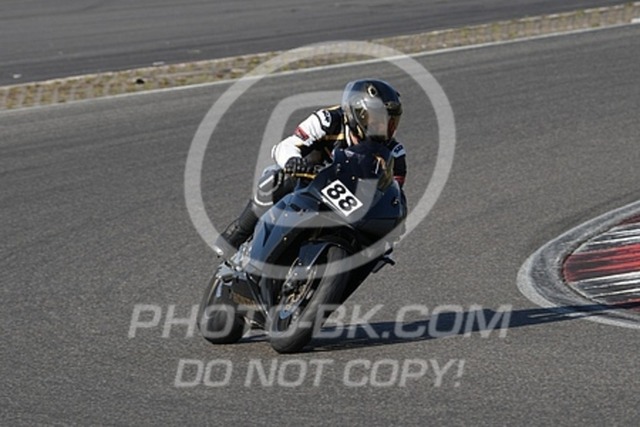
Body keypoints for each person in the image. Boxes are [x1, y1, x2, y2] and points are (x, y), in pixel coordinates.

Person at [213, 78, 407, 259]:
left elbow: (394, 190)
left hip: (352, 198)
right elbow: (286, 146)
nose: (382, 126)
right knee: (274, 177)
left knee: (387, 237)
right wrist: (292, 161)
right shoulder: (328, 120)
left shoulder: (394, 152)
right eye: (375, 119)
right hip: (309, 178)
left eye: (389, 121)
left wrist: (395, 217)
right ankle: (239, 232)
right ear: (356, 113)